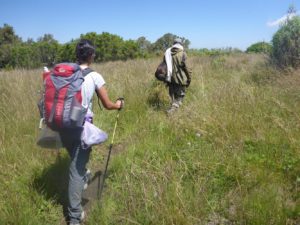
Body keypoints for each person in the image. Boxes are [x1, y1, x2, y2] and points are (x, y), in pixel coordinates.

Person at [59, 39, 123, 225]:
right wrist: (119, 104)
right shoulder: (94, 76)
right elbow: (108, 104)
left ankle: (85, 175)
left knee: (76, 160)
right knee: (76, 171)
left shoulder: (66, 74)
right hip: (80, 127)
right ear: (91, 55)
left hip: (62, 126)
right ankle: (74, 216)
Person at [164, 38, 192, 114]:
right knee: (179, 99)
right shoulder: (182, 53)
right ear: (181, 44)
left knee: (173, 98)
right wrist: (189, 79)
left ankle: (173, 115)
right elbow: (187, 68)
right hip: (180, 80)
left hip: (170, 80)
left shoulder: (167, 53)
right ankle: (170, 112)